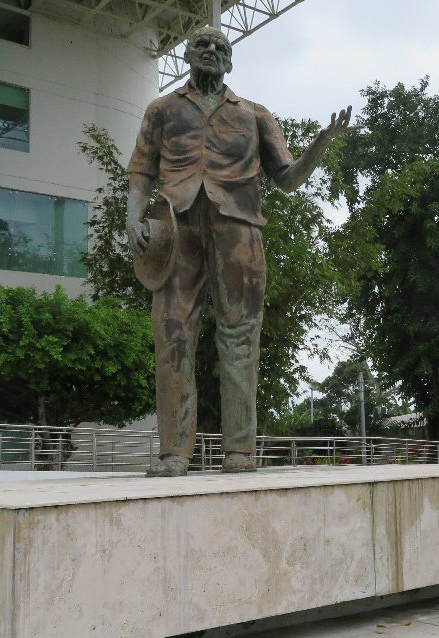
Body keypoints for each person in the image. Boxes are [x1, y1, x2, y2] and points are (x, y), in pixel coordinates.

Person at [126, 26, 351, 477]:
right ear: (188, 54)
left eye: (221, 48)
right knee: (172, 334)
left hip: (239, 229)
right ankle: (173, 452)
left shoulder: (255, 114)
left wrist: (320, 146)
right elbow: (140, 173)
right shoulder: (162, 110)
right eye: (202, 45)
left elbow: (286, 178)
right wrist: (131, 220)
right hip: (176, 226)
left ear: (230, 62)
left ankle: (240, 450)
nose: (210, 50)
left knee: (240, 336)